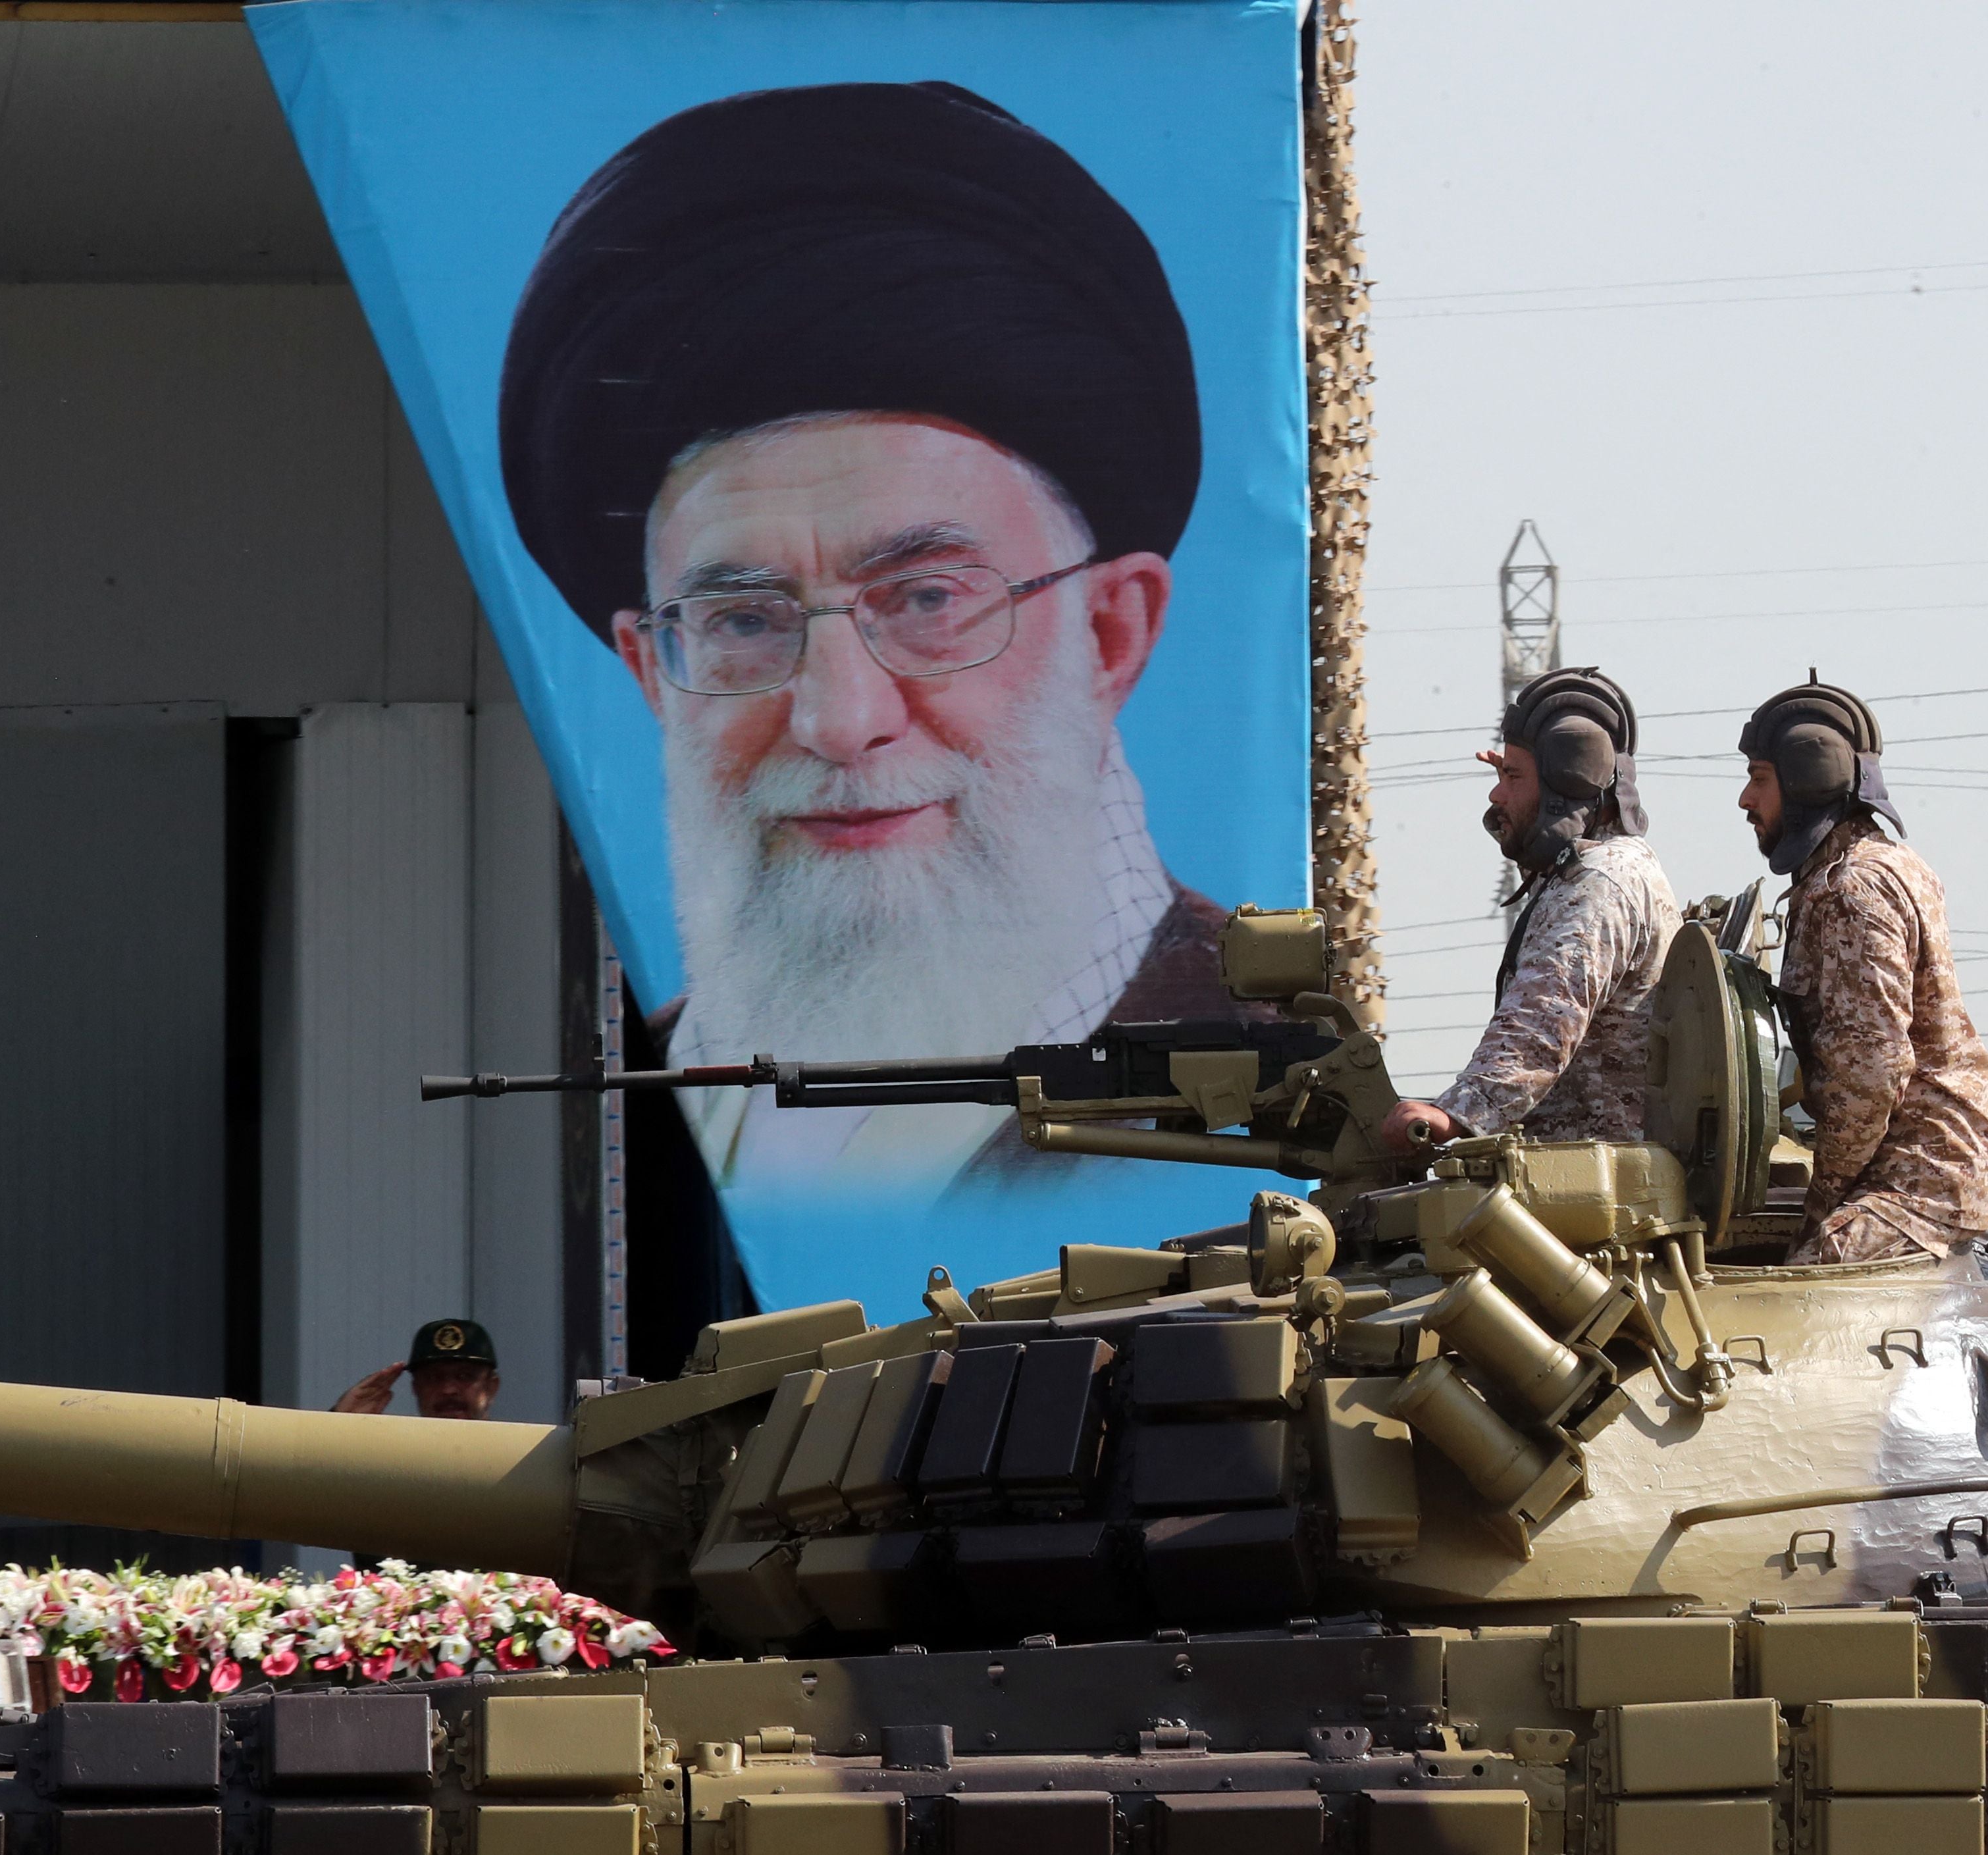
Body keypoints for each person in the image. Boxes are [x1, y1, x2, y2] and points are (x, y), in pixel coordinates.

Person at [497, 82, 1253, 1204]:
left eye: (926, 600)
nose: (840, 720)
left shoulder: (1268, 1083)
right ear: (653, 671)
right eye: (744, 620)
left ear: (1110, 633)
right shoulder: (626, 1116)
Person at [1735, 678, 1988, 1265]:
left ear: (1805, 783)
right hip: (1920, 1169)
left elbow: (1870, 1070)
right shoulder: (1889, 864)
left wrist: (1821, 1204)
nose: (1745, 801)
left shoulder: (1851, 890)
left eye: (1759, 779)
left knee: (1792, 1304)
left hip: (1915, 1181)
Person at [1382, 669, 1681, 1151]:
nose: (1495, 794)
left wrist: (1458, 1112)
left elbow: (1547, 1014)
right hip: (1580, 1166)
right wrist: (1520, 799)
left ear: (1564, 786)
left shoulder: (1600, 883)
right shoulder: (1588, 868)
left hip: (1601, 1181)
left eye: (1513, 777)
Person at [330, 1320, 501, 1421]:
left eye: (464, 1376)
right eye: (434, 1378)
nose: (449, 1390)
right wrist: (338, 1429)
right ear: (416, 1388)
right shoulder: (392, 1463)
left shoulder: (515, 1459)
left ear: (492, 1387)